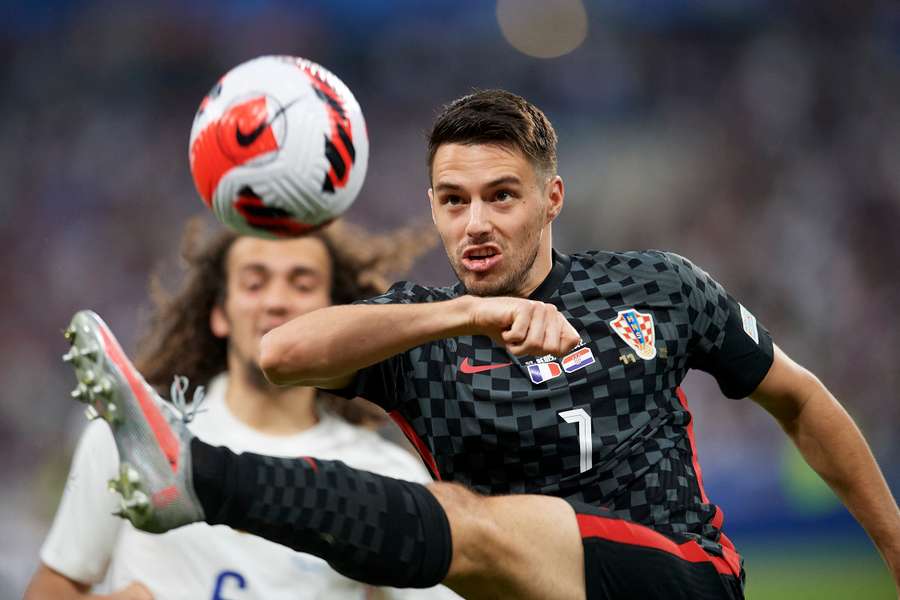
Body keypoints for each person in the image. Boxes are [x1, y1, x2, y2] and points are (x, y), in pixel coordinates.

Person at [62, 90, 899, 600]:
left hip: (678, 582)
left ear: (551, 198)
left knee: (473, 519)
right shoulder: (420, 330)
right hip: (524, 587)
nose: (477, 223)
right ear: (431, 206)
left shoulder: (656, 286)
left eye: (502, 196)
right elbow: (283, 353)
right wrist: (465, 315)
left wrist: (895, 544)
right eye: (454, 201)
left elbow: (798, 397)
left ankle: (196, 476)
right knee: (475, 528)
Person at [27, 220, 458, 599]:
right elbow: (52, 588)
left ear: (336, 315)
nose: (276, 302)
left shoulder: (385, 473)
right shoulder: (133, 430)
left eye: (302, 284)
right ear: (220, 314)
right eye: (254, 283)